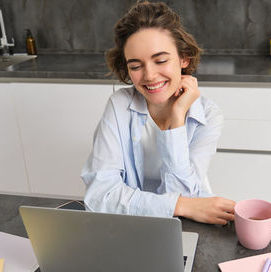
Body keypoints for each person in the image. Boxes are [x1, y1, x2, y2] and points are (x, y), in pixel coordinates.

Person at [81, 1, 235, 225]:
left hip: (187, 224)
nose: (150, 76)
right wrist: (178, 205)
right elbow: (100, 197)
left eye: (160, 60)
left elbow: (185, 196)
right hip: (133, 224)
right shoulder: (119, 105)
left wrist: (177, 118)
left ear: (184, 59)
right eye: (135, 66)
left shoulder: (208, 115)